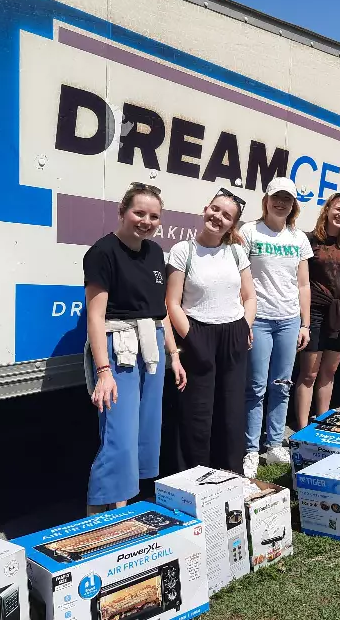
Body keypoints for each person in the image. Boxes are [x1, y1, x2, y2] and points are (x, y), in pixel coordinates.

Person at [83, 182, 187, 514]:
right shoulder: (102, 252)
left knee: (145, 432)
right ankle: (98, 516)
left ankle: (123, 508)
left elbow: (160, 313)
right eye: (139, 213)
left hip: (152, 347)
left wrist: (174, 355)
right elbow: (96, 317)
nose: (146, 221)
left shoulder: (155, 252)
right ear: (122, 211)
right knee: (120, 437)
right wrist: (104, 372)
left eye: (153, 216)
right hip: (120, 349)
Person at [165, 188, 256, 475]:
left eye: (226, 215)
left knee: (231, 412)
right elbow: (172, 303)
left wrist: (245, 326)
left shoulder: (236, 252)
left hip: (233, 334)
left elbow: (250, 296)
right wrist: (192, 338)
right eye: (215, 209)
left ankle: (230, 475)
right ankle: (193, 477)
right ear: (206, 209)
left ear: (233, 224)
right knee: (197, 412)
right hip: (197, 334)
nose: (218, 217)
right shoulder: (183, 251)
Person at [240, 177, 313, 477]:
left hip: (288, 320)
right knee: (255, 387)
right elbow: (239, 278)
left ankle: (273, 445)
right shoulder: (249, 231)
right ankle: (250, 449)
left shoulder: (299, 238)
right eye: (276, 197)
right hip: (258, 319)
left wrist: (305, 323)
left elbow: (304, 284)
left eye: (287, 199)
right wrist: (244, 320)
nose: (281, 203)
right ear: (266, 200)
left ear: (293, 204)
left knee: (282, 385)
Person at [294, 193, 340, 429]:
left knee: (329, 372)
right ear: (327, 210)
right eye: (338, 209)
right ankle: (303, 428)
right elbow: (301, 280)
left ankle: (322, 423)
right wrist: (303, 321)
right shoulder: (309, 240)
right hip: (314, 312)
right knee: (309, 374)